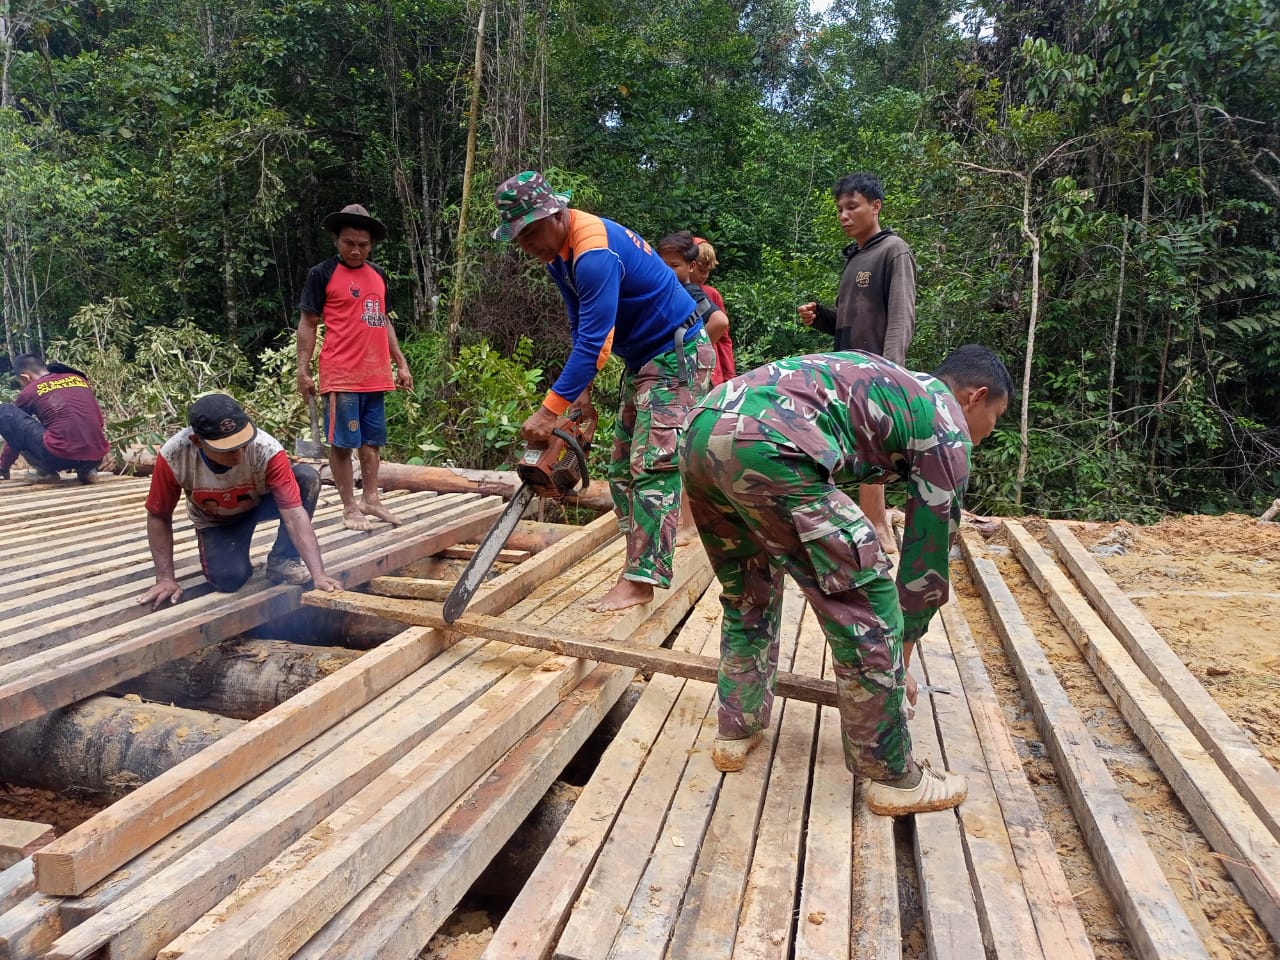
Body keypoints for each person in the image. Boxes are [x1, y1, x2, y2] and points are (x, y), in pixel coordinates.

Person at [679, 345, 1012, 816]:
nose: (985, 434)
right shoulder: (946, 424)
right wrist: (898, 663)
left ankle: (737, 729)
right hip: (771, 442)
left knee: (747, 591)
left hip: (701, 426)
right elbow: (926, 561)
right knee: (867, 604)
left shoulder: (890, 384)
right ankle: (894, 778)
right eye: (993, 421)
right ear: (976, 397)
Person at [494, 171, 715, 612]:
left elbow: (596, 342)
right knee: (619, 470)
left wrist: (546, 413)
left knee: (652, 468)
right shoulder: (560, 253)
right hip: (644, 360)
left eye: (533, 232)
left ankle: (640, 581)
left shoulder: (594, 252)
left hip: (677, 356)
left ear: (556, 213)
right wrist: (579, 397)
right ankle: (638, 562)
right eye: (520, 239)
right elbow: (581, 326)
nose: (529, 246)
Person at [798, 172, 917, 553]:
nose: (844, 216)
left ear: (875, 206)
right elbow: (851, 324)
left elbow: (901, 315)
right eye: (840, 210)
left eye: (853, 207)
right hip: (845, 368)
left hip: (875, 371)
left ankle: (879, 526)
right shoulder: (856, 258)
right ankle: (856, 523)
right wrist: (822, 318)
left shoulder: (892, 250)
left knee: (874, 445)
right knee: (851, 445)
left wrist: (891, 371)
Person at [139, 393, 342, 610]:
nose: (239, 452)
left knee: (306, 478)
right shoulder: (174, 455)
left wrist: (318, 575)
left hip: (259, 503)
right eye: (228, 449)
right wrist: (165, 578)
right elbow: (159, 515)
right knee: (228, 579)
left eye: (242, 443)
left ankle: (283, 558)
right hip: (217, 518)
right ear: (197, 442)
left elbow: (294, 514)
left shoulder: (267, 449)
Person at [297, 203, 413, 531]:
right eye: (349, 243)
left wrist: (400, 364)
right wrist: (302, 370)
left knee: (372, 442)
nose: (356, 250)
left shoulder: (378, 275)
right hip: (341, 375)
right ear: (336, 239)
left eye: (363, 245)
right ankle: (350, 507)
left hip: (376, 375)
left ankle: (371, 499)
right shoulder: (322, 274)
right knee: (343, 444)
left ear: (371, 245)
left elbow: (384, 322)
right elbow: (308, 323)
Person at [0, 353, 109, 483]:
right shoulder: (79, 379)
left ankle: (46, 473)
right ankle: (88, 471)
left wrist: (3, 467)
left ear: (26, 377)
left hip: (58, 457)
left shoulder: (30, 391)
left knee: (5, 411)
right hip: (96, 456)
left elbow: (14, 431)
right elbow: (97, 420)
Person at [690, 238, 736, 385]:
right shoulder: (672, 291)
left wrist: (729, 377)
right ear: (690, 264)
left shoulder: (711, 294)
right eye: (701, 270)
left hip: (711, 372)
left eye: (708, 271)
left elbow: (724, 339)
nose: (704, 276)